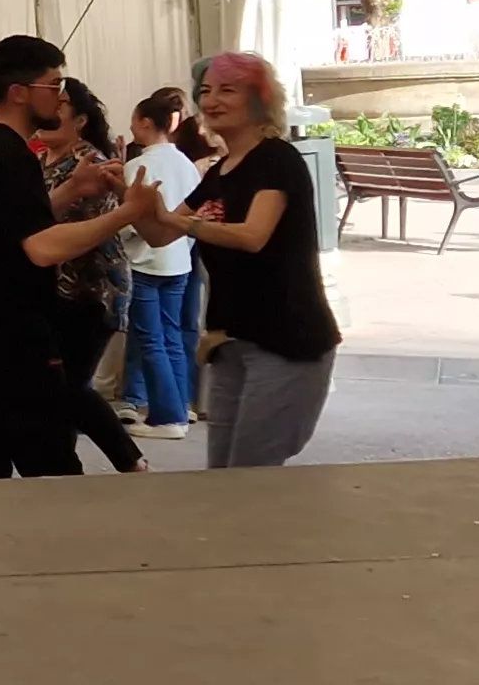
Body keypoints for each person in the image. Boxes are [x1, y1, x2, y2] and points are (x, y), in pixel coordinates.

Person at [0, 36, 163, 481]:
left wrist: (73, 189)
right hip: (11, 339)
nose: (60, 97)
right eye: (53, 85)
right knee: (52, 471)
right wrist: (127, 213)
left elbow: (8, 226)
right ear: (19, 92)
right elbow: (41, 246)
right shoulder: (12, 155)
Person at [139, 52, 342, 468]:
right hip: (229, 342)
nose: (212, 100)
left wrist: (180, 222)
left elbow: (252, 236)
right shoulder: (219, 172)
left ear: (259, 99)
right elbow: (160, 235)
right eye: (206, 91)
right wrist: (133, 204)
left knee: (252, 474)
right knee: (224, 474)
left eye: (227, 90)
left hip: (287, 341)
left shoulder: (277, 159)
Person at [31, 79, 149, 475]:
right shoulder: (41, 160)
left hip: (92, 290)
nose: (49, 112)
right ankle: (63, 469)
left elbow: (73, 226)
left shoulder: (92, 164)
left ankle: (130, 461)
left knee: (69, 386)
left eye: (60, 104)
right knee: (53, 388)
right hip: (53, 290)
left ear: (80, 120)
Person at [120, 93, 202, 440]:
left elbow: (127, 221)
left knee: (150, 340)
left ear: (145, 123)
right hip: (179, 260)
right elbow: (194, 215)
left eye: (134, 120)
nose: (131, 127)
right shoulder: (187, 164)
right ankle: (179, 405)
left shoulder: (136, 167)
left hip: (145, 263)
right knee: (172, 337)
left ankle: (168, 417)